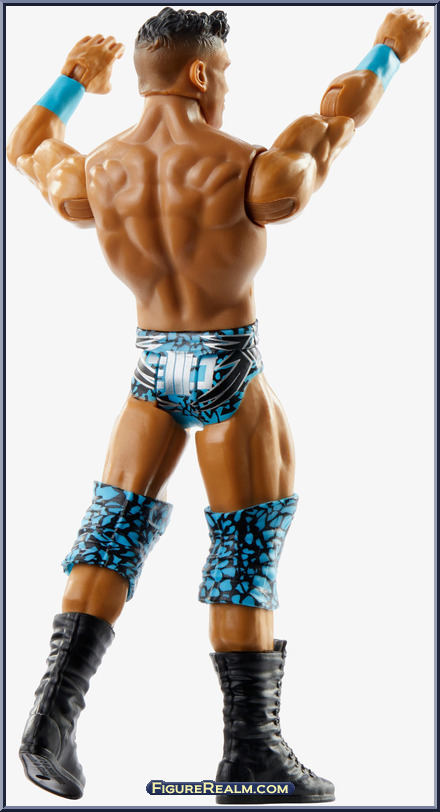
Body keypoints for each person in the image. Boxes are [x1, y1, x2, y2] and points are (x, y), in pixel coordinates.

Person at [7, 5, 430, 803]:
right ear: (201, 73)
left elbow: (26, 146)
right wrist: (389, 51)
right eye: (224, 75)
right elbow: (337, 120)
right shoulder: (250, 169)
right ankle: (252, 754)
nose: (226, 89)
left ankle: (47, 725)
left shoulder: (98, 172)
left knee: (111, 534)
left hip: (150, 371)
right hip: (228, 371)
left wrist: (73, 79)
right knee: (245, 549)